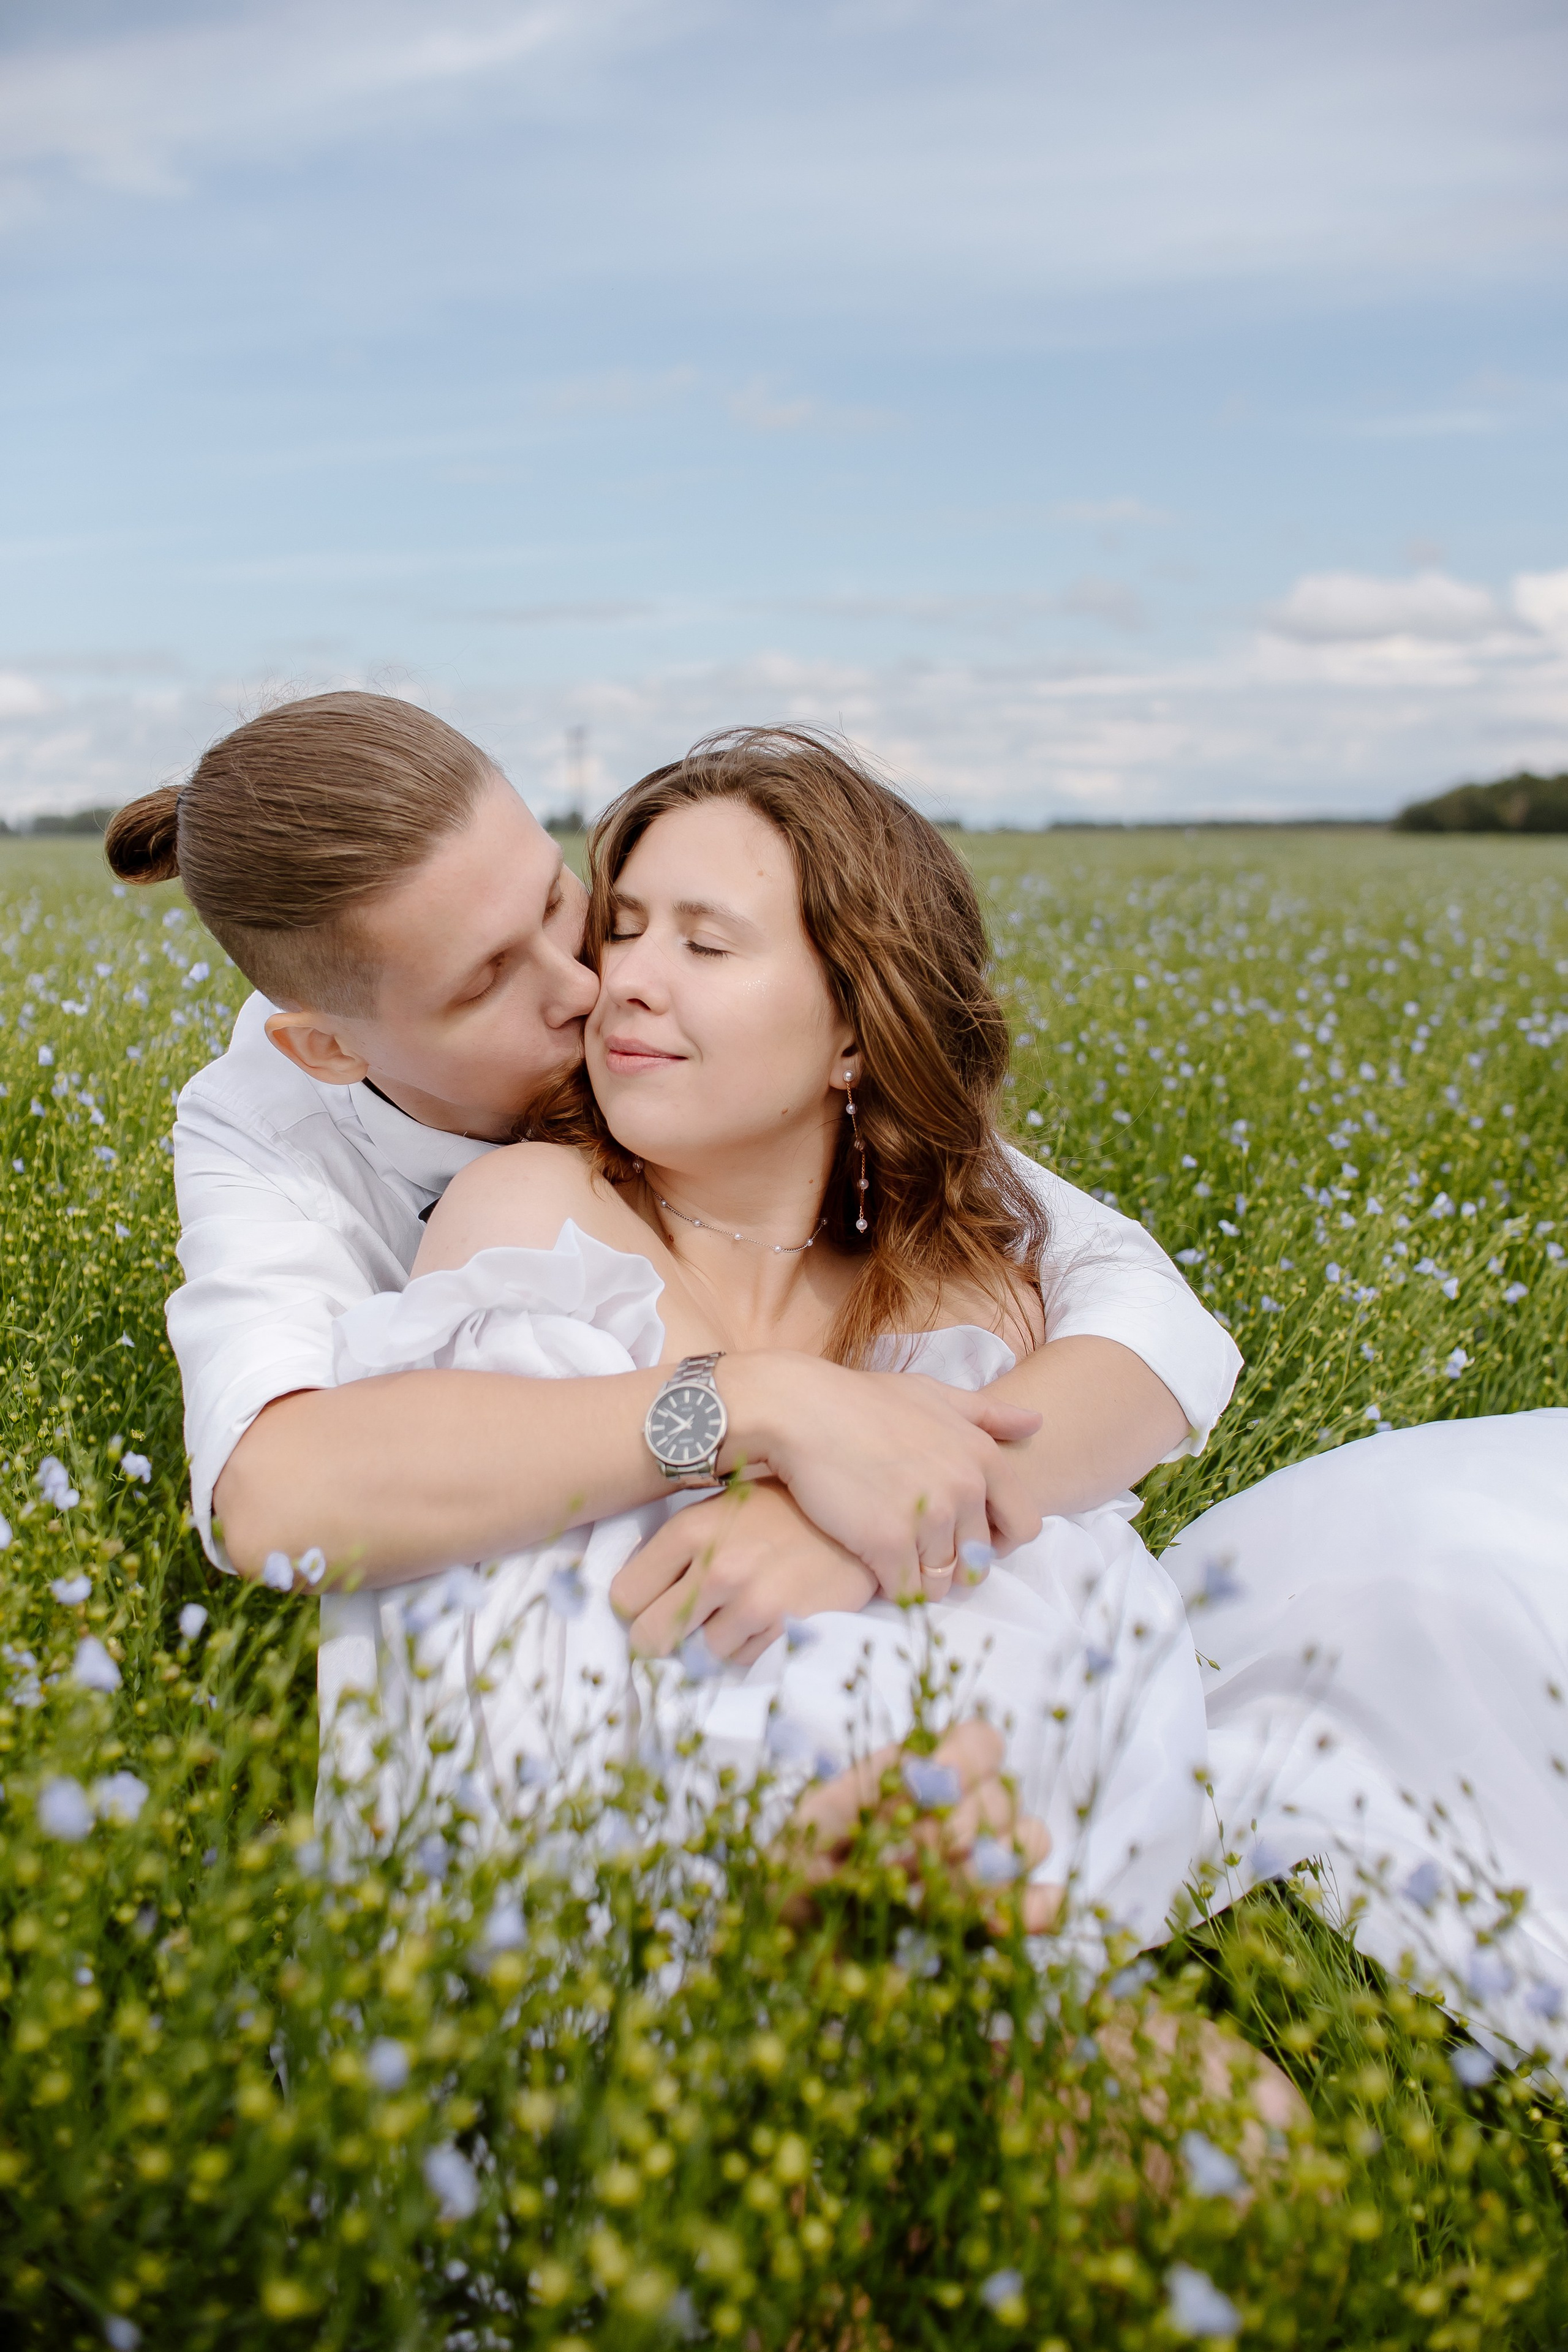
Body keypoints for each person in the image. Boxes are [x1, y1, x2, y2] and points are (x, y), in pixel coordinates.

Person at [314, 728, 1217, 1950]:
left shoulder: (964, 1293)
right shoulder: (535, 1217)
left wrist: (845, 1535)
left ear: (854, 1028)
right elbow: (509, 1643)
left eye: (704, 942)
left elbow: (1132, 1388)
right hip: (596, 1886)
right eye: (622, 928)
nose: (623, 979)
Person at [104, 693, 1242, 1635]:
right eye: (488, 980)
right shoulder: (267, 1128)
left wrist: (861, 1516)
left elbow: (1140, 1310)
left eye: (565, 903)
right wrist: (754, 1404)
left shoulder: (729, 1068)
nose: (589, 982)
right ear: (334, 1048)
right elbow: (271, 1497)